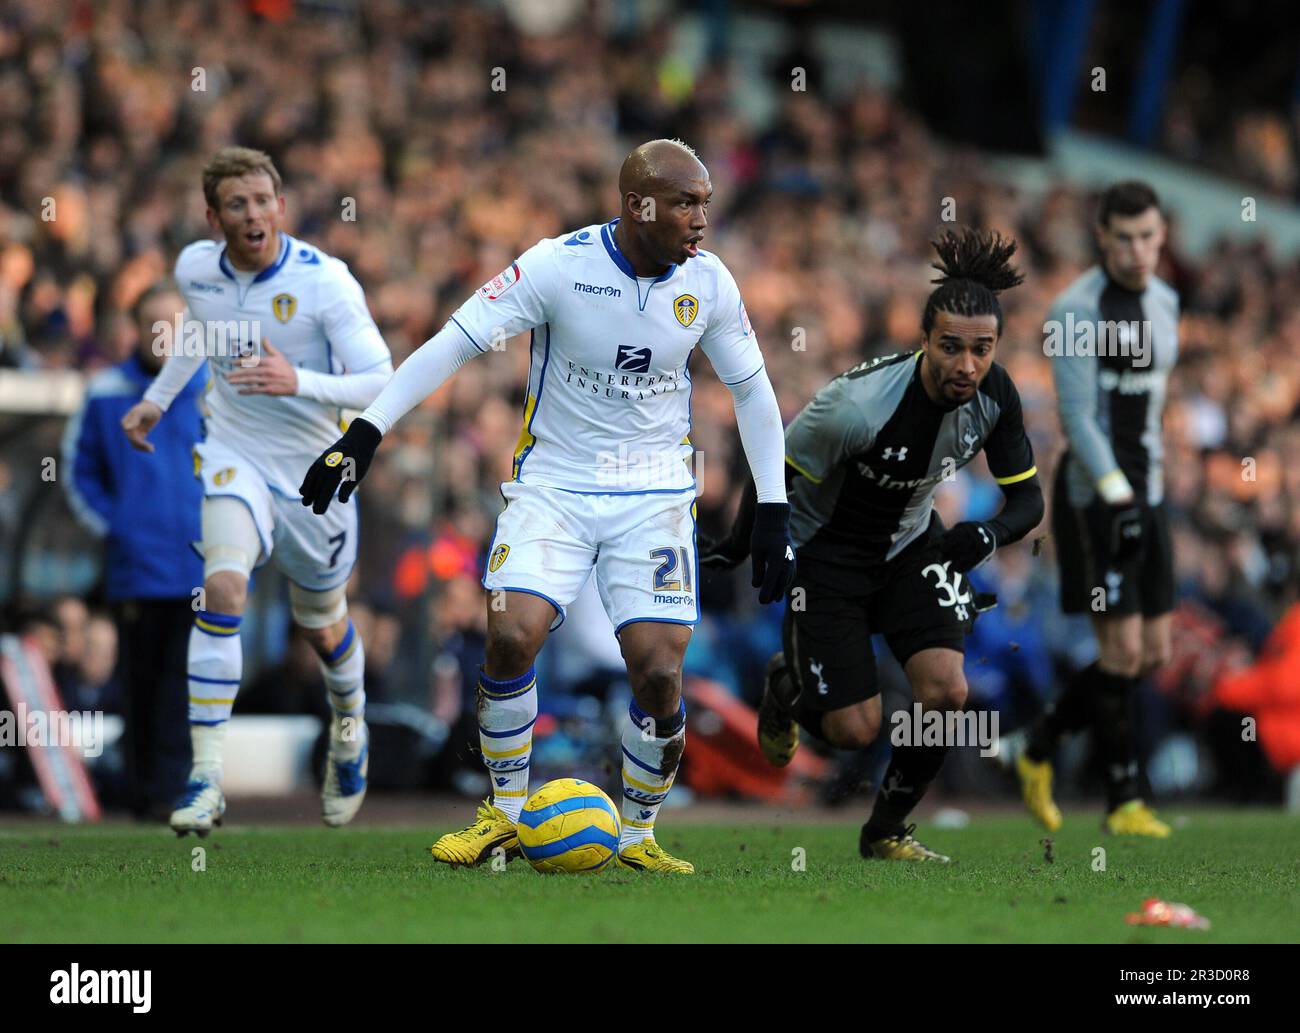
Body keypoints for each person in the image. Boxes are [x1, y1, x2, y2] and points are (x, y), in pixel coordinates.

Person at [300, 139, 796, 874]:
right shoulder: (558, 267)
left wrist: (775, 508)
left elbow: (753, 392)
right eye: (686, 203)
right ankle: (500, 815)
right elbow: (454, 342)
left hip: (654, 494)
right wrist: (368, 429)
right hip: (553, 487)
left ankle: (639, 832)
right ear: (639, 205)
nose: (700, 220)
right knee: (512, 633)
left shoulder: (711, 284)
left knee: (660, 672)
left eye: (705, 205)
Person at [704, 229, 1043, 862]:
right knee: (852, 730)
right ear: (924, 342)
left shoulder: (997, 395)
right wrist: (741, 542)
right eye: (951, 348)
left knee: (948, 694)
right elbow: (775, 462)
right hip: (827, 558)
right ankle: (787, 689)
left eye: (982, 349)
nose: (967, 366)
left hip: (913, 546)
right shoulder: (856, 407)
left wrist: (986, 533)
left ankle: (886, 830)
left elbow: (1029, 502)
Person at [119, 146, 394, 835]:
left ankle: (350, 725)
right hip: (232, 455)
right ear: (214, 217)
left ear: (281, 206)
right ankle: (206, 777)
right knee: (223, 589)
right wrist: (157, 399)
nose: (253, 214)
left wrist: (296, 380)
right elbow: (202, 333)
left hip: (315, 472)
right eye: (237, 204)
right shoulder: (194, 269)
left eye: (263, 200)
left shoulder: (325, 282)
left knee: (321, 623)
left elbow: (380, 377)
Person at [1018, 181, 1178, 838]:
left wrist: (1151, 490)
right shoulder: (1075, 311)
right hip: (1094, 495)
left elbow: (1150, 402)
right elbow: (1079, 421)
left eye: (1149, 236)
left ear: (1161, 235)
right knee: (1120, 648)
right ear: (1102, 237)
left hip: (1152, 490)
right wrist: (1118, 496)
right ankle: (1124, 800)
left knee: (1155, 651)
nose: (1138, 251)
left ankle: (1038, 743)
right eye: (1125, 238)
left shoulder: (1167, 302)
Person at [62, 283, 205, 818]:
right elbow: (78, 473)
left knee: (187, 686)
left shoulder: (213, 387)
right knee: (139, 684)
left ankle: (176, 792)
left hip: (202, 568)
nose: (164, 336)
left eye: (175, 325)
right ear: (136, 328)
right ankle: (145, 793)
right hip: (136, 569)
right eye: (155, 324)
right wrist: (118, 526)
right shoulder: (105, 393)